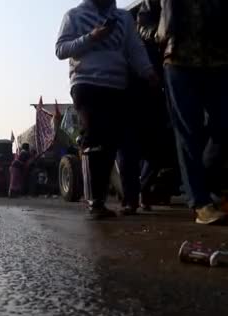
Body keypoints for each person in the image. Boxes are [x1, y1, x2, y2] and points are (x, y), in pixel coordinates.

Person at [56, 0, 157, 219]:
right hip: (86, 83)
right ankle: (95, 202)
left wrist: (148, 71)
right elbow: (61, 49)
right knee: (94, 138)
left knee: (115, 142)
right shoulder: (73, 16)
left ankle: (125, 198)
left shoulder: (123, 18)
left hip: (117, 85)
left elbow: (134, 49)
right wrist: (92, 37)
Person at [139, 0, 228, 225]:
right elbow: (143, 21)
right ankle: (201, 203)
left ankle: (200, 183)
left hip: (224, 60)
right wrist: (158, 34)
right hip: (179, 62)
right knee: (188, 133)